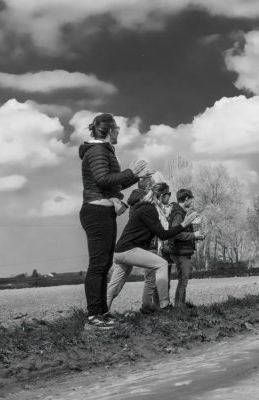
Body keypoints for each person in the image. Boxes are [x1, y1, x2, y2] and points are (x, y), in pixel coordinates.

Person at [79, 113, 151, 330]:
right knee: (98, 266)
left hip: (103, 212)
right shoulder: (98, 150)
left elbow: (113, 185)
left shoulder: (102, 150)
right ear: (110, 130)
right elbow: (102, 179)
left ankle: (103, 313)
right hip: (96, 212)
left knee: (104, 266)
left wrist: (136, 177)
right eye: (117, 127)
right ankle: (93, 317)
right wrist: (130, 171)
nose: (119, 131)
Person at [106, 182, 202, 313]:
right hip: (129, 250)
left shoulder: (146, 208)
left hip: (121, 251)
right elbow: (163, 234)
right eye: (168, 194)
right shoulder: (149, 209)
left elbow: (159, 229)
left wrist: (167, 216)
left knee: (115, 287)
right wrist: (184, 224)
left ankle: (102, 311)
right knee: (162, 264)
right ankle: (165, 305)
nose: (170, 197)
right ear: (161, 195)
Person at [163, 189, 205, 307]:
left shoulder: (179, 212)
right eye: (191, 199)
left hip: (182, 250)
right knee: (183, 279)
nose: (191, 201)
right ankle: (180, 306)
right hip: (180, 251)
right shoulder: (178, 213)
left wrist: (196, 237)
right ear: (186, 198)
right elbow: (175, 233)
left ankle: (180, 305)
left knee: (183, 279)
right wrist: (193, 235)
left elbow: (180, 231)